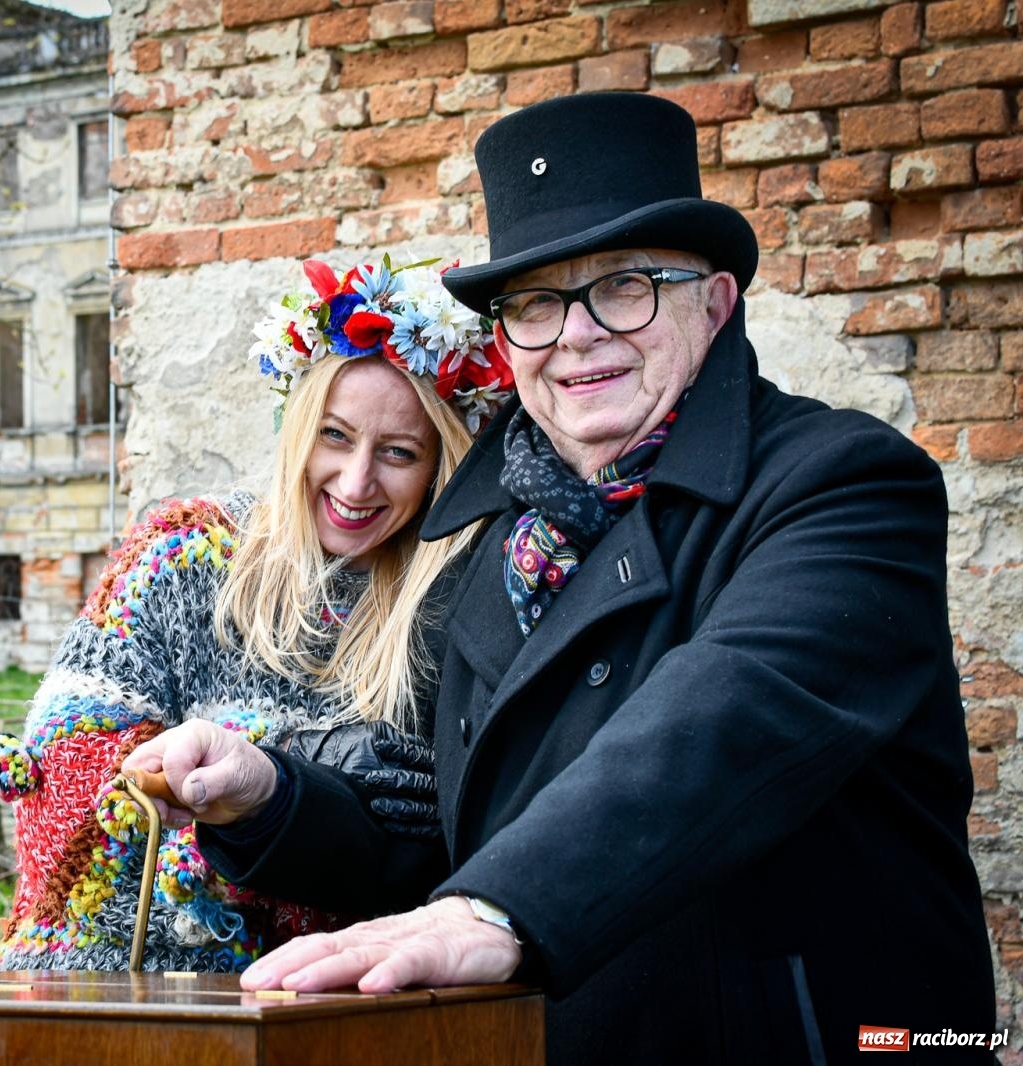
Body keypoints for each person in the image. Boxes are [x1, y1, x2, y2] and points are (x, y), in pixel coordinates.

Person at [131, 92, 996, 1061]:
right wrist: (274, 798)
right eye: (535, 304)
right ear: (505, 342)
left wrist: (497, 909)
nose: (575, 334)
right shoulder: (492, 550)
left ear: (713, 302)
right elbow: (444, 853)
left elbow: (728, 720)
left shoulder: (842, 483)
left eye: (624, 285)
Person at [0, 257, 513, 972]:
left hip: (316, 1008)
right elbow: (68, 759)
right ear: (295, 427)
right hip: (107, 988)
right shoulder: (183, 553)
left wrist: (269, 800)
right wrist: (291, 764)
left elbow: (422, 854)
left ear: (440, 464)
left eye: (399, 452)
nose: (356, 482)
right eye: (335, 436)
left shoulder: (451, 602)